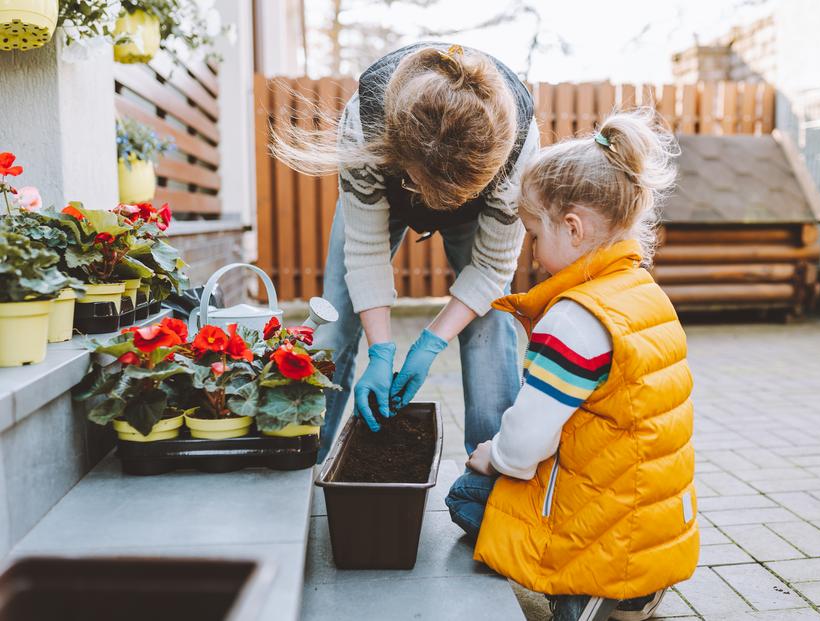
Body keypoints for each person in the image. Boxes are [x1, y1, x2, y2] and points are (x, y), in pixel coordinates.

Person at [444, 110, 699, 621]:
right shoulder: (642, 294)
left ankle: (582, 590)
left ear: (574, 228)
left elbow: (528, 441)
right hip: (654, 527)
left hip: (604, 529)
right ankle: (636, 589)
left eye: (534, 234)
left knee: (467, 494)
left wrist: (492, 455)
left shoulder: (574, 319)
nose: (532, 253)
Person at [276, 43, 539, 458]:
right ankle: (304, 461)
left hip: (475, 207)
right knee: (337, 318)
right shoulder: (365, 126)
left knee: (488, 321)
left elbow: (491, 268)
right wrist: (381, 349)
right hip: (386, 185)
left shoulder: (518, 148)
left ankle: (491, 472)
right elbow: (364, 254)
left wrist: (430, 343)